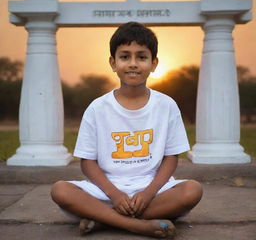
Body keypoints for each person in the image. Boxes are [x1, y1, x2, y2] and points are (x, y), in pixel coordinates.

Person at [51, 22, 203, 239]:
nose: (133, 64)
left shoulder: (166, 105)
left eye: (141, 57)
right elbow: (87, 162)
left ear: (154, 63)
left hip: (152, 190)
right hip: (105, 190)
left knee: (192, 190)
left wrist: (149, 192)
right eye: (125, 57)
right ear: (113, 63)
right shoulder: (97, 108)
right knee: (60, 190)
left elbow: (171, 157)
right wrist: (114, 194)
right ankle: (140, 226)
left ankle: (104, 220)